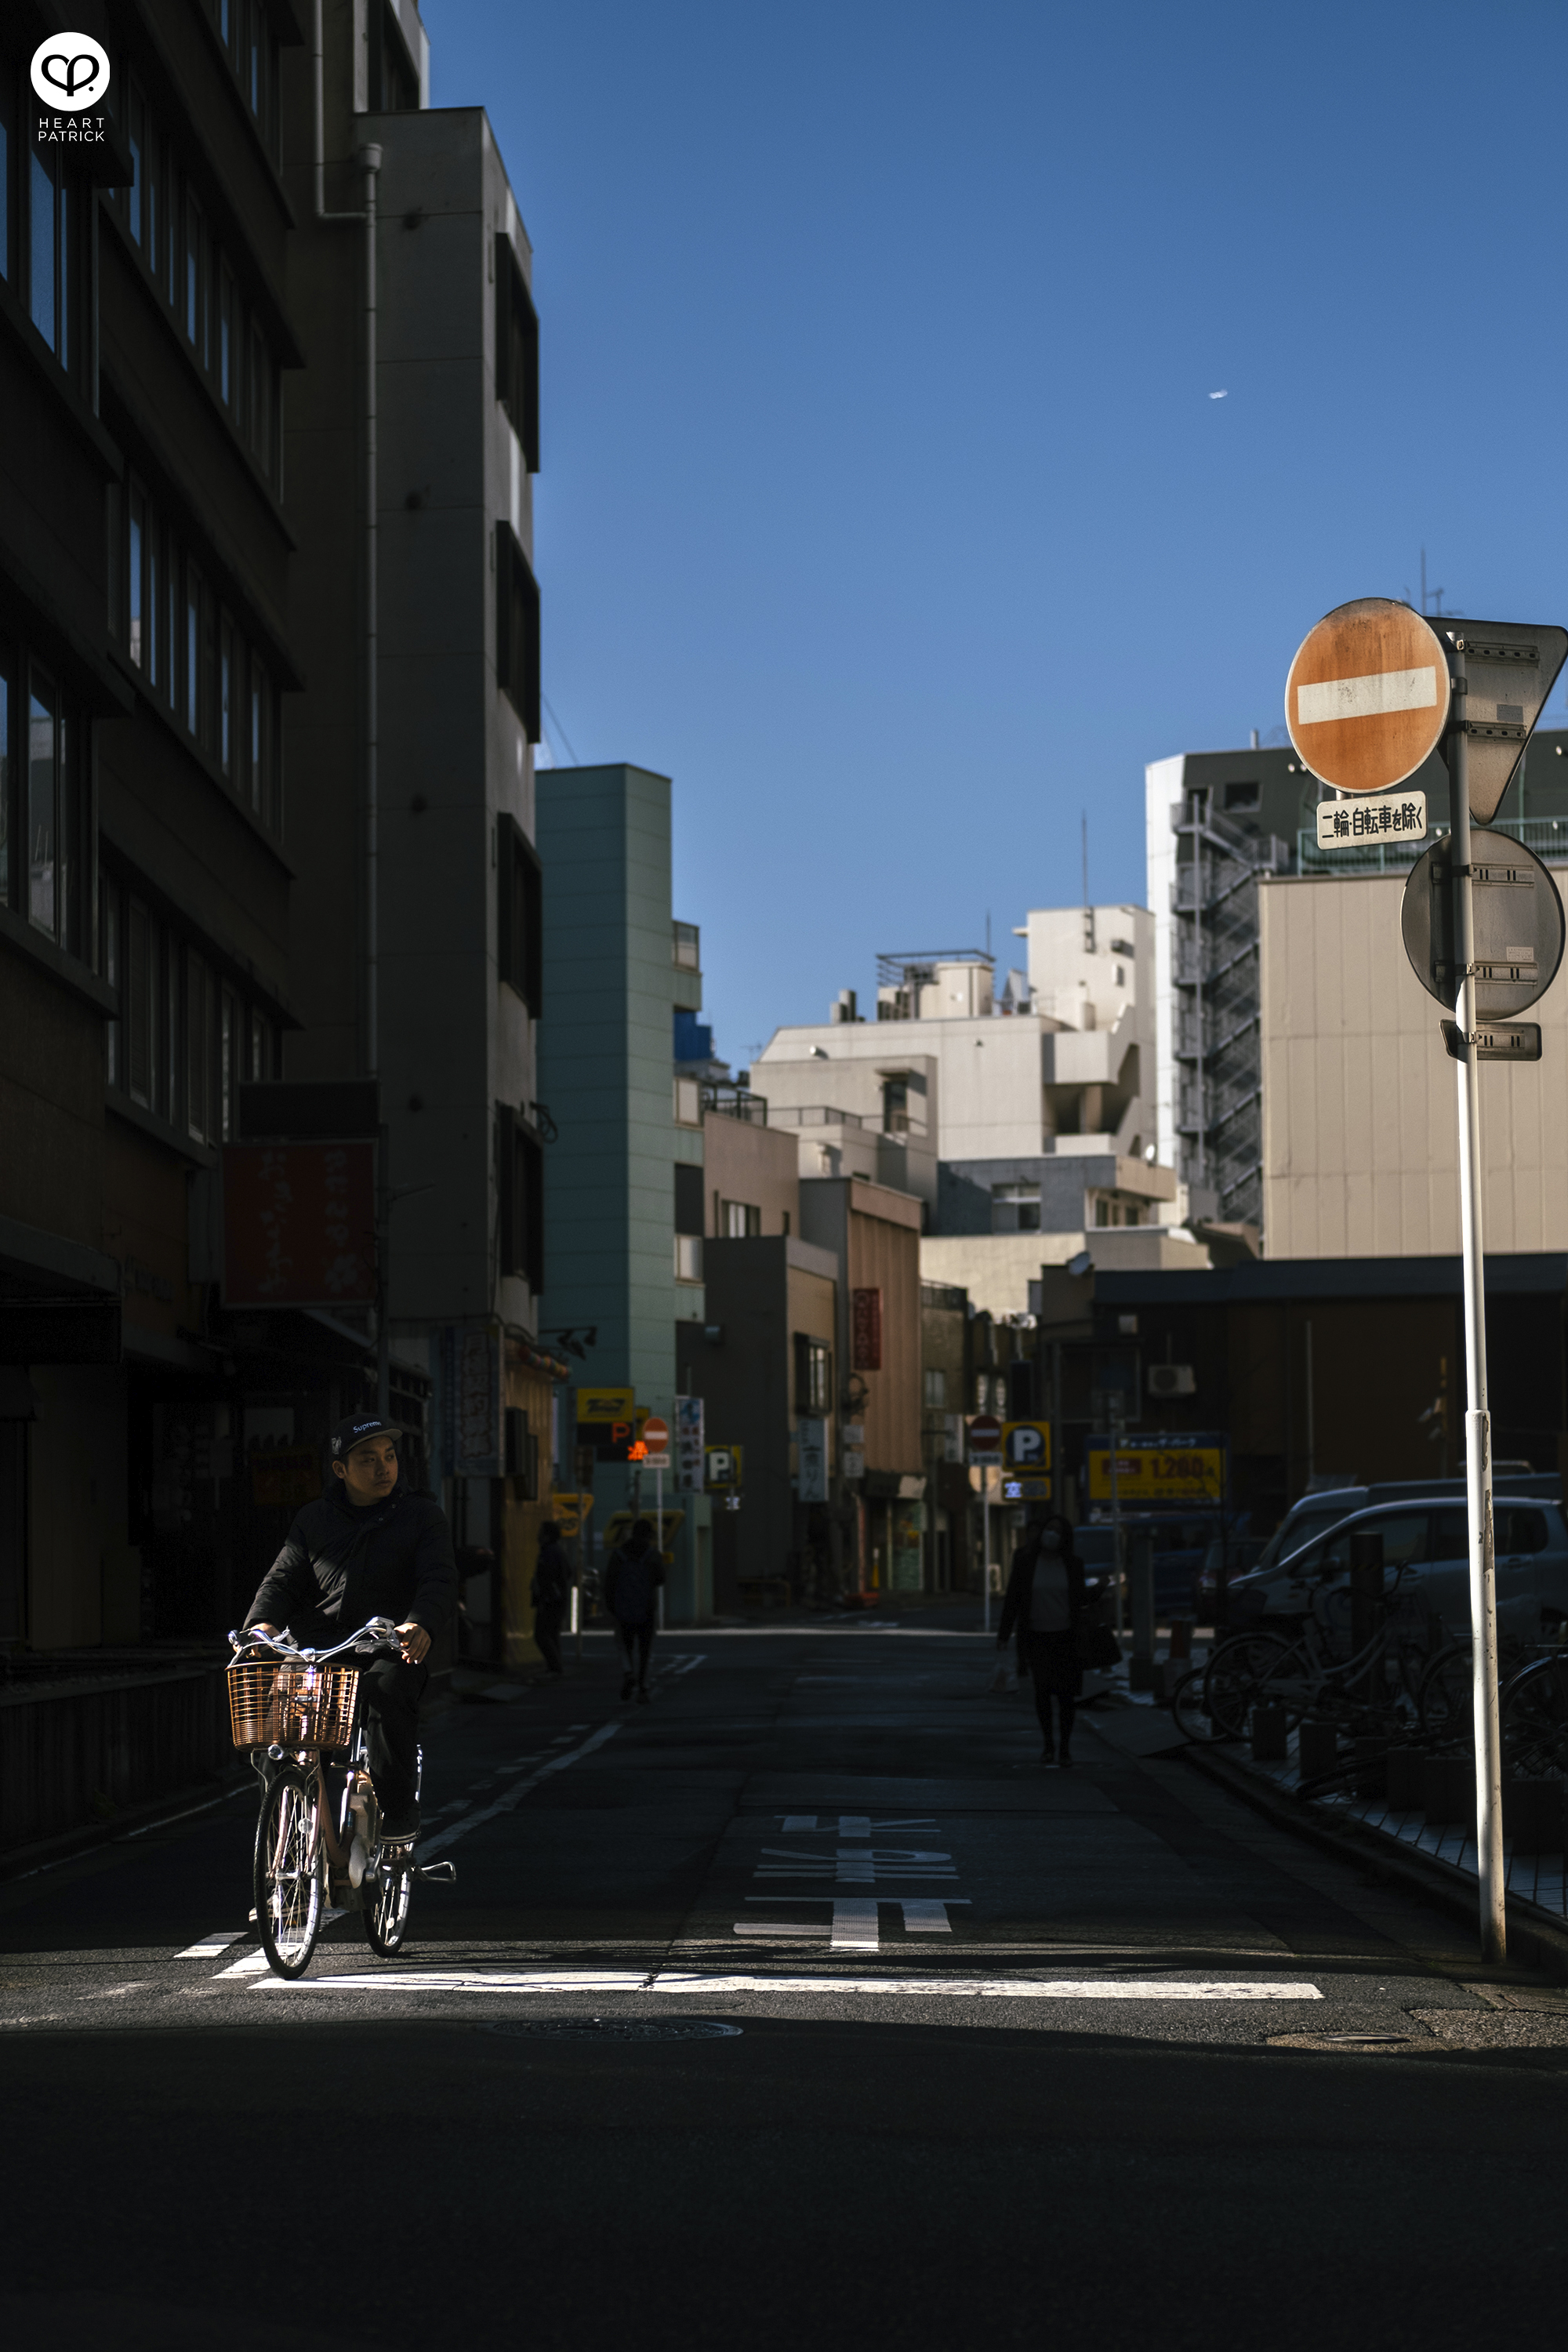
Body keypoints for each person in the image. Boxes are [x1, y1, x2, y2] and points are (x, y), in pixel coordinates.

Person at [245, 1413, 456, 1840]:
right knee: (279, 1731)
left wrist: (420, 1623)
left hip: (386, 1643)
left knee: (385, 1692)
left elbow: (438, 1578)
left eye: (390, 1456)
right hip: (319, 1647)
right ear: (340, 1470)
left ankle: (397, 1815)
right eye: (368, 1459)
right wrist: (262, 1626)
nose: (384, 1468)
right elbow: (283, 1578)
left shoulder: (422, 1516)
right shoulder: (313, 1518)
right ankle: (281, 1849)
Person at [996, 1510, 1087, 1768]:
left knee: (1067, 1695)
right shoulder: (1027, 1562)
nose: (1052, 1534)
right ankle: (1049, 1745)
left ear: (1064, 1537)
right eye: (1049, 1528)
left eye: (1058, 1531)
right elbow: (1013, 1599)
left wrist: (1101, 1589)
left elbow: (1079, 1599)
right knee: (1043, 1690)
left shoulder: (1073, 1565)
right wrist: (1003, 1635)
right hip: (1036, 1637)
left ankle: (1065, 1748)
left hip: (1066, 1637)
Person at [603, 1517, 665, 1703]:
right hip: (646, 1609)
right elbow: (661, 1579)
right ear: (649, 1535)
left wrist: (612, 1606)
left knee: (624, 1645)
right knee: (646, 1650)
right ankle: (643, 1688)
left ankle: (628, 1672)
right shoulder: (652, 1555)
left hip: (623, 1609)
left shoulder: (619, 1555)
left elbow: (609, 1583)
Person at [531, 1520, 571, 1680]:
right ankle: (555, 1667)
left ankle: (555, 1667)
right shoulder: (558, 1551)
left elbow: (547, 1578)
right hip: (558, 1599)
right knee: (552, 1634)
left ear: (547, 1536)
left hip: (550, 1600)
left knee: (541, 1634)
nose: (538, 1535)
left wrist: (544, 1597)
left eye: (541, 1532)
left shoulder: (548, 1553)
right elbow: (567, 1573)